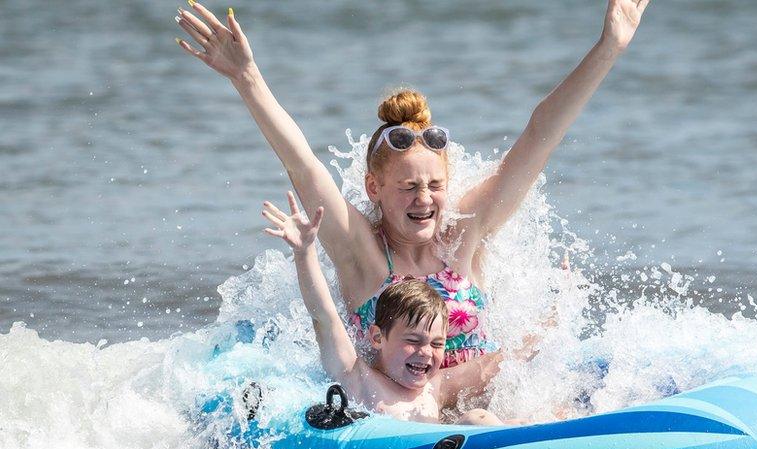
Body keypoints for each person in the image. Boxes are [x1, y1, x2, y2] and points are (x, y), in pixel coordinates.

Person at [175, 0, 650, 399]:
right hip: (400, 417)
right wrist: (247, 77)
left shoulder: (467, 230)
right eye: (407, 187)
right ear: (374, 189)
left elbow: (541, 133)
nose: (424, 199)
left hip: (484, 406)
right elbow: (301, 163)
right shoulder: (361, 251)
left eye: (434, 186)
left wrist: (609, 47)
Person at [262, 191, 507, 425]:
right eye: (414, 340)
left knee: (477, 419)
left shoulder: (434, 387)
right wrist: (303, 252)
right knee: (476, 420)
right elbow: (323, 317)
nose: (426, 352)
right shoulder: (357, 377)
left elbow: (498, 364)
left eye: (436, 344)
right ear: (378, 337)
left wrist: (541, 337)